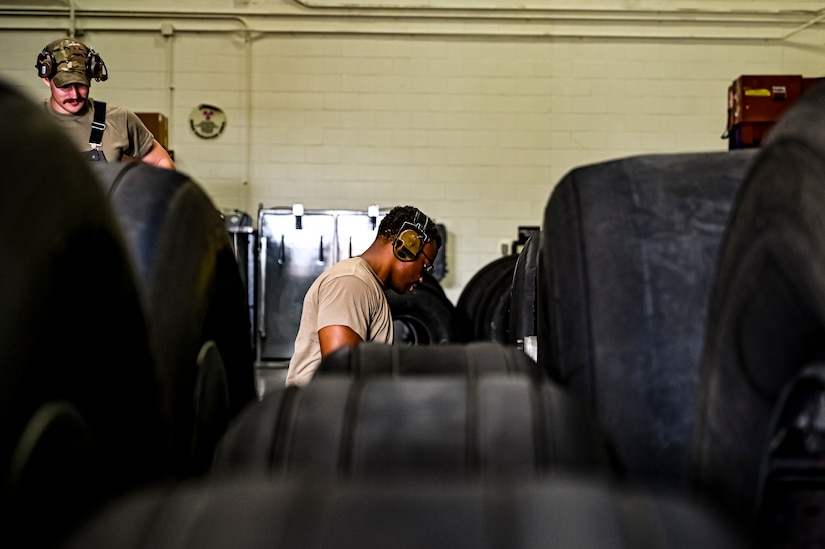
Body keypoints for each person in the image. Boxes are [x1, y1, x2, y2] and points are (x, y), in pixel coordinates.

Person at [285, 205, 442, 387]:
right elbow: (341, 372)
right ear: (406, 245)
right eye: (424, 266)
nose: (422, 278)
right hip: (321, 412)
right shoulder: (352, 281)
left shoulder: (367, 284)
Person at [36, 37, 175, 169]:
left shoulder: (119, 119)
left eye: (81, 85)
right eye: (65, 86)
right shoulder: (28, 122)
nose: (74, 94)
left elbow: (162, 162)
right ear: (47, 80)